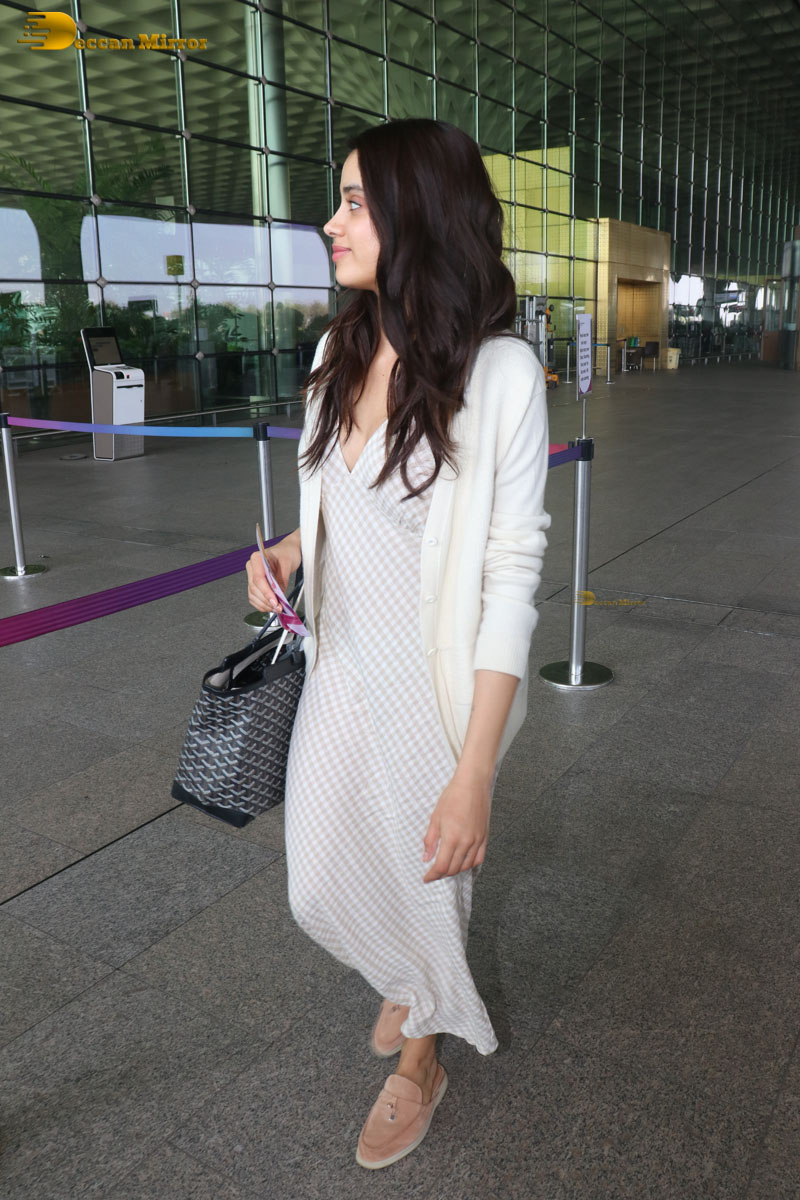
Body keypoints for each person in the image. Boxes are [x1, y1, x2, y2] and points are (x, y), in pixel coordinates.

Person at [246, 117, 551, 1171]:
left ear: (416, 211)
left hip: (434, 687)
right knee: (314, 884)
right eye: (337, 200)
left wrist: (475, 774)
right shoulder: (336, 350)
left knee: (428, 887)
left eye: (353, 202)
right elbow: (341, 497)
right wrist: (289, 550)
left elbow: (511, 576)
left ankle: (422, 1055)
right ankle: (411, 980)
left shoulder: (500, 373)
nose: (331, 223)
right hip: (336, 664)